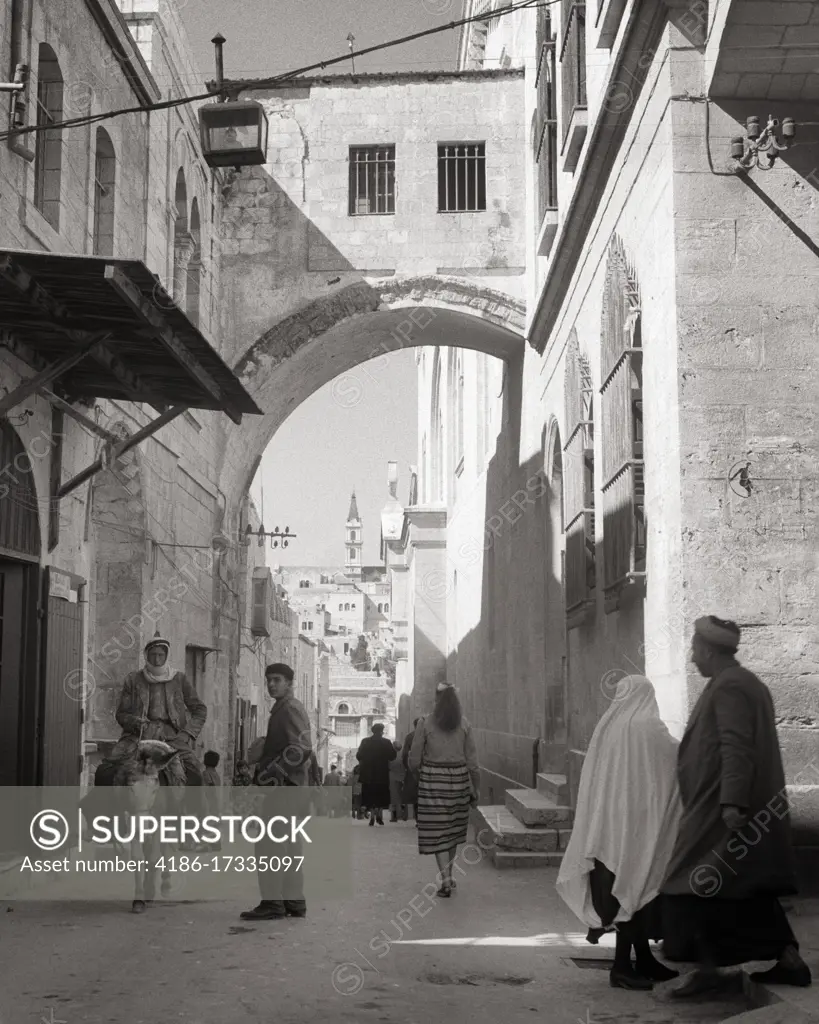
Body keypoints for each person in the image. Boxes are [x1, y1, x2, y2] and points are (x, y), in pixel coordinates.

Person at [662, 616, 811, 998]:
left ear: (708, 650)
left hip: (723, 809)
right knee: (744, 888)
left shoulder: (730, 686)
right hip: (729, 805)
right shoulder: (740, 682)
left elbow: (736, 745)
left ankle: (706, 971)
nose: (693, 658)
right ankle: (787, 958)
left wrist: (731, 801)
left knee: (691, 884)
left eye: (695, 650)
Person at [556, 676, 683, 990]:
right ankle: (622, 967)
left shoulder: (608, 727)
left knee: (625, 890)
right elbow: (677, 759)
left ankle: (644, 959)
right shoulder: (649, 727)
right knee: (634, 889)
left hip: (610, 828)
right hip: (639, 826)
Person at [110, 632, 207, 847]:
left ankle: (191, 828)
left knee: (195, 772)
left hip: (172, 737)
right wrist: (135, 722)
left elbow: (199, 709)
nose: (156, 659)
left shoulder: (179, 679)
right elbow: (121, 713)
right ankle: (113, 825)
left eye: (160, 655)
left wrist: (187, 733)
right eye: (152, 655)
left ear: (167, 656)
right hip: (139, 735)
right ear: (146, 656)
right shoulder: (133, 680)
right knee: (110, 768)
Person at [240, 663, 313, 922]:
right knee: (289, 847)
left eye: (277, 680)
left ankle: (273, 903)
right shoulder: (283, 709)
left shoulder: (289, 709)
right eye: (269, 680)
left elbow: (302, 748)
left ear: (290, 682)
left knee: (269, 847)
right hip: (289, 789)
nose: (272, 684)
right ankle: (293, 901)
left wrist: (268, 774)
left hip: (282, 790)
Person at [409, 683, 479, 896]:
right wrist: (475, 788)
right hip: (459, 781)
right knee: (453, 831)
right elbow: (473, 763)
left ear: (436, 700)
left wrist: (421, 777)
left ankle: (446, 879)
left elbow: (413, 760)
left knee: (437, 830)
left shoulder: (424, 723)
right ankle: (449, 875)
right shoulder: (465, 724)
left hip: (432, 781)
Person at [356, 723, 396, 826]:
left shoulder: (365, 742)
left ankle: (373, 815)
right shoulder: (386, 742)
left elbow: (359, 756)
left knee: (371, 796)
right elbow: (392, 756)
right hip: (382, 775)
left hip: (368, 775)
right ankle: (379, 815)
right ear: (382, 731)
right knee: (380, 796)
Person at [389, 740, 407, 821]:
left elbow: (388, 766)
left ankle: (394, 816)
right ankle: (404, 814)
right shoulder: (403, 756)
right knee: (402, 797)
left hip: (392, 777)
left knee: (393, 798)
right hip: (402, 777)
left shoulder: (390, 756)